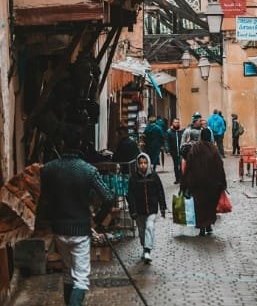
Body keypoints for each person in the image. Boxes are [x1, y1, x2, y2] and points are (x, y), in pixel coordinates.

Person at [37, 126, 114, 305]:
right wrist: (97, 220)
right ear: (80, 144)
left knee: (68, 274)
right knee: (80, 278)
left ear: (62, 143)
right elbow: (108, 197)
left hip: (59, 230)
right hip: (80, 230)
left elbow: (42, 198)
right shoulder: (88, 170)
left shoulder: (49, 169)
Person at [180, 128, 227, 237]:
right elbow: (219, 166)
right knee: (210, 205)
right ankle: (208, 224)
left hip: (197, 183)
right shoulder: (213, 149)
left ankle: (202, 227)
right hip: (212, 184)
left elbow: (189, 166)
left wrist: (185, 183)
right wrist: (222, 183)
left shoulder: (195, 149)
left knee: (200, 205)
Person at [127, 152, 166, 264]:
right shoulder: (133, 178)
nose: (143, 165)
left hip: (152, 209)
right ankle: (145, 248)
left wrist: (162, 207)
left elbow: (160, 192)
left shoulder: (154, 176)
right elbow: (130, 195)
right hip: (139, 210)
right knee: (141, 231)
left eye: (145, 163)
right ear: (138, 164)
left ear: (148, 163)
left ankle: (147, 250)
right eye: (140, 163)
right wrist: (133, 210)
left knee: (150, 227)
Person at [166, 118, 184, 183]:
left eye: (177, 122)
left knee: (181, 165)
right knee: (176, 165)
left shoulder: (181, 131)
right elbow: (167, 141)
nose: (176, 123)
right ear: (172, 123)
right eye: (175, 122)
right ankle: (177, 178)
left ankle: (181, 178)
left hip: (181, 151)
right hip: (174, 151)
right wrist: (167, 150)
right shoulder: (169, 132)